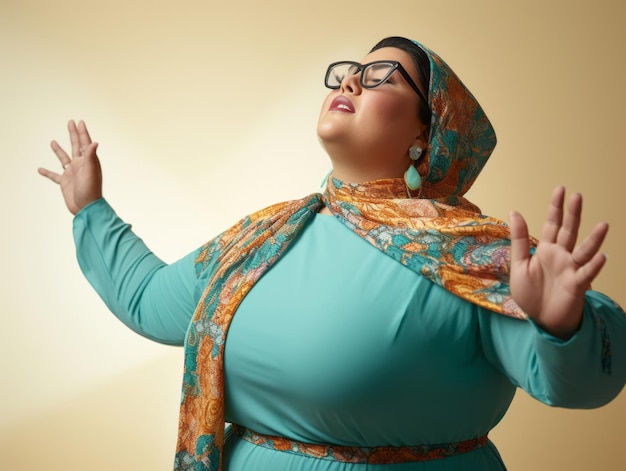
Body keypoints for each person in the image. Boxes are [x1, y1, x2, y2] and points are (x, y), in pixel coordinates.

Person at [38, 37, 625, 471]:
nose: (350, 83)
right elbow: (147, 300)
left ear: (427, 135)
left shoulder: (474, 257)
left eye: (382, 77)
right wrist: (91, 209)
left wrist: (564, 325)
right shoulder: (261, 237)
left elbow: (581, 385)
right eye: (348, 72)